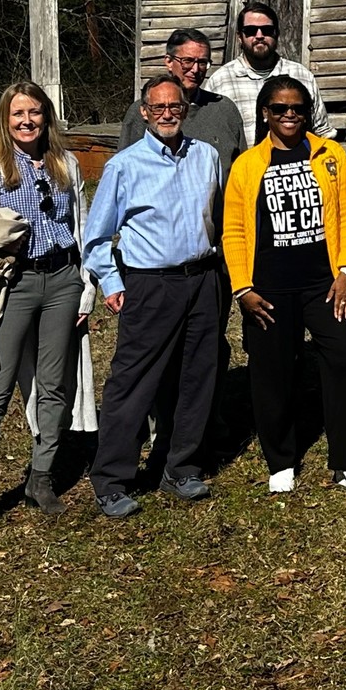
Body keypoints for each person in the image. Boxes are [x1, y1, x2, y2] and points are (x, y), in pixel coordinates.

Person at [0, 81, 94, 542]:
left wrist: (86, 288)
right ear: (4, 122)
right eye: (17, 115)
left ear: (46, 118)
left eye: (34, 113)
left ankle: (41, 477)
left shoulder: (66, 164)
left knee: (54, 386)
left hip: (63, 280)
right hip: (12, 286)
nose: (27, 121)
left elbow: (83, 229)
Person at [82, 73, 226, 518]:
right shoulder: (125, 166)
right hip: (150, 284)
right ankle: (111, 478)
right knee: (134, 381)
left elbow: (217, 218)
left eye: (175, 107)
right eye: (158, 108)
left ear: (186, 111)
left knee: (197, 377)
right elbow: (96, 236)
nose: (167, 114)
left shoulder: (207, 157)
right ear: (144, 112)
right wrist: (113, 283)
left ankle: (179, 466)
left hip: (202, 280)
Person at [223, 74, 346, 495]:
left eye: (297, 109)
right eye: (280, 109)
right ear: (265, 113)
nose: (289, 115)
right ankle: (281, 459)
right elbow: (232, 229)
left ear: (307, 113)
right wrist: (242, 288)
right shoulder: (248, 165)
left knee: (343, 359)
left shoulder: (330, 154)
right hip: (267, 288)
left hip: (323, 285)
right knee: (272, 373)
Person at [115, 27, 246, 164]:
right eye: (187, 61)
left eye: (202, 63)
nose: (195, 70)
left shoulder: (224, 110)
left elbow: (243, 170)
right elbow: (124, 167)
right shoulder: (147, 112)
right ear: (169, 62)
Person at [210, 1, 334, 144]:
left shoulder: (301, 76)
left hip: (298, 164)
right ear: (239, 36)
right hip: (245, 165)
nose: (259, 35)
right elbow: (211, 137)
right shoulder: (221, 81)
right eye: (251, 30)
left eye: (267, 30)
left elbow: (322, 132)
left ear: (277, 34)